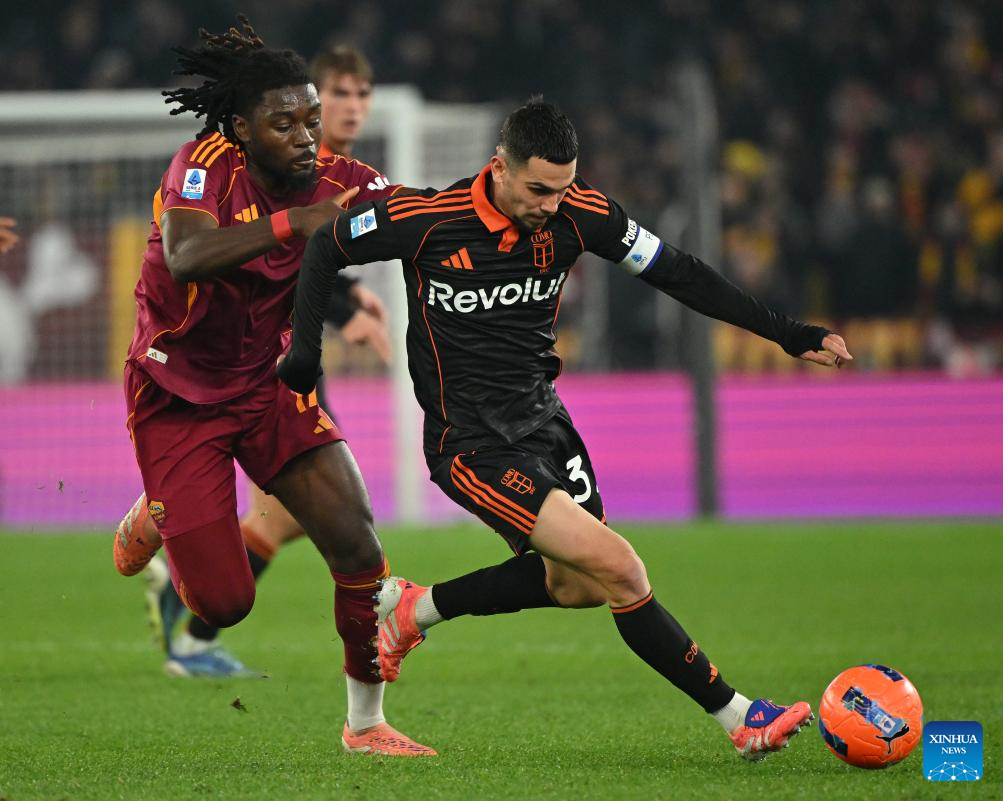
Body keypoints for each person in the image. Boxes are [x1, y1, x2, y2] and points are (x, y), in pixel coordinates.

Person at [278, 98, 853, 761]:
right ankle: (742, 717)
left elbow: (679, 272)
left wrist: (788, 333)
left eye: (562, 188)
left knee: (578, 585)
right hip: (470, 444)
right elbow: (325, 245)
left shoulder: (582, 213)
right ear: (499, 167)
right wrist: (306, 353)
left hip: (546, 424)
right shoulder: (427, 219)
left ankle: (416, 608)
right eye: (538, 189)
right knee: (620, 567)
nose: (551, 204)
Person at [112, 17, 434, 756]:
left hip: (266, 386)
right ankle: (156, 511)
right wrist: (300, 222)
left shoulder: (339, 180)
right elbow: (187, 253)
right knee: (226, 602)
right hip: (176, 395)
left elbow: (414, 212)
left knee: (357, 545)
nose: (305, 136)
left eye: (311, 120)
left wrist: (489, 209)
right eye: (284, 124)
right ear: (241, 128)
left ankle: (365, 724)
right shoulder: (203, 164)